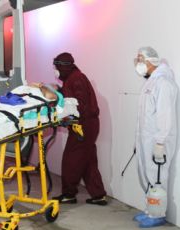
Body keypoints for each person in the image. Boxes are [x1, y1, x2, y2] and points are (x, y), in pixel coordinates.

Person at [51, 52, 108, 206]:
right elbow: (72, 99)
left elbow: (79, 105)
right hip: (86, 125)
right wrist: (59, 91)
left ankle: (69, 194)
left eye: (56, 67)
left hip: (83, 126)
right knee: (87, 160)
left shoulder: (77, 79)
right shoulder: (72, 78)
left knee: (71, 160)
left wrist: (66, 118)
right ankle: (98, 195)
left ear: (63, 67)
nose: (55, 70)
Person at [132, 47, 179, 228]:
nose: (138, 63)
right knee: (148, 175)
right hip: (146, 138)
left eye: (140, 59)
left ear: (150, 61)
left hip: (157, 140)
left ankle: (157, 214)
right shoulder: (152, 82)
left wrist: (160, 141)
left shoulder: (164, 83)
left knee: (158, 176)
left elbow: (165, 116)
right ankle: (149, 210)